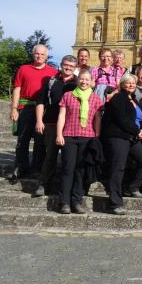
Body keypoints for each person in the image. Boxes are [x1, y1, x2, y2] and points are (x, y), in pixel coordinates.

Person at [101, 73, 142, 214]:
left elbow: (140, 119)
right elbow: (121, 119)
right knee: (118, 168)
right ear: (122, 84)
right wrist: (137, 130)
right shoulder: (118, 98)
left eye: (133, 83)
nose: (131, 85)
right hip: (118, 137)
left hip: (132, 136)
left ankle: (132, 187)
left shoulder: (133, 99)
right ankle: (115, 202)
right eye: (128, 82)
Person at [55, 70, 104, 214]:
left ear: (91, 82)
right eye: (82, 79)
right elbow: (62, 116)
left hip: (87, 138)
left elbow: (98, 119)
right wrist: (59, 134)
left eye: (87, 80)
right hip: (69, 136)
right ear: (78, 80)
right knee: (67, 169)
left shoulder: (95, 99)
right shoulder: (68, 96)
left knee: (80, 171)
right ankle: (64, 202)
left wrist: (97, 136)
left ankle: (76, 201)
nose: (84, 82)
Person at [10, 44, 58, 180]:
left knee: (40, 140)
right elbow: (17, 89)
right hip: (25, 107)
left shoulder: (53, 72)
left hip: (43, 109)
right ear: (33, 54)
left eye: (42, 54)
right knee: (22, 139)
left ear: (46, 57)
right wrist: (14, 108)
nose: (39, 56)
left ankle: (36, 169)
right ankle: (20, 167)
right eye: (37, 53)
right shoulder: (23, 69)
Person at [34, 55, 78, 197]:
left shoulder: (78, 83)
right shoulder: (51, 81)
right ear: (61, 64)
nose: (68, 68)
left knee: (68, 159)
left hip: (71, 125)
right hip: (52, 123)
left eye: (71, 66)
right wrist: (39, 120)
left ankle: (63, 189)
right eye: (66, 65)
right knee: (50, 156)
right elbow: (41, 101)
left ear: (75, 68)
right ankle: (43, 184)